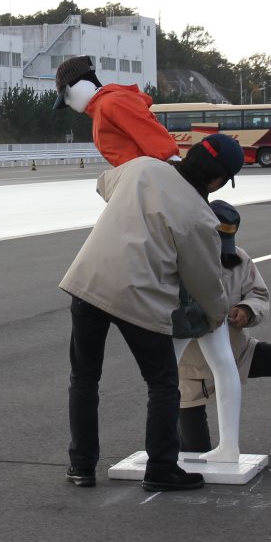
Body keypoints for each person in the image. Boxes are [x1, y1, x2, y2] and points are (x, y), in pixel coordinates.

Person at [60, 134, 245, 492]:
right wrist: (218, 313)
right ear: (218, 181)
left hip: (88, 281)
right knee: (162, 383)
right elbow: (204, 279)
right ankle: (161, 467)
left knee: (84, 378)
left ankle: (81, 466)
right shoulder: (199, 216)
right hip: (138, 296)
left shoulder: (144, 167)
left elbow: (104, 183)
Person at [176, 201, 271, 461]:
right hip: (192, 372)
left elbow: (258, 293)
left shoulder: (239, 258)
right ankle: (175, 440)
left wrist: (247, 310)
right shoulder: (179, 261)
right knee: (195, 457)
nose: (222, 250)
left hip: (238, 353)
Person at [53, 55, 180, 167]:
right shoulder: (103, 108)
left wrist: (175, 168)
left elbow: (152, 138)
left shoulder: (111, 103)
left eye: (67, 96)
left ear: (80, 83)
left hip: (151, 181)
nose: (69, 103)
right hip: (143, 180)